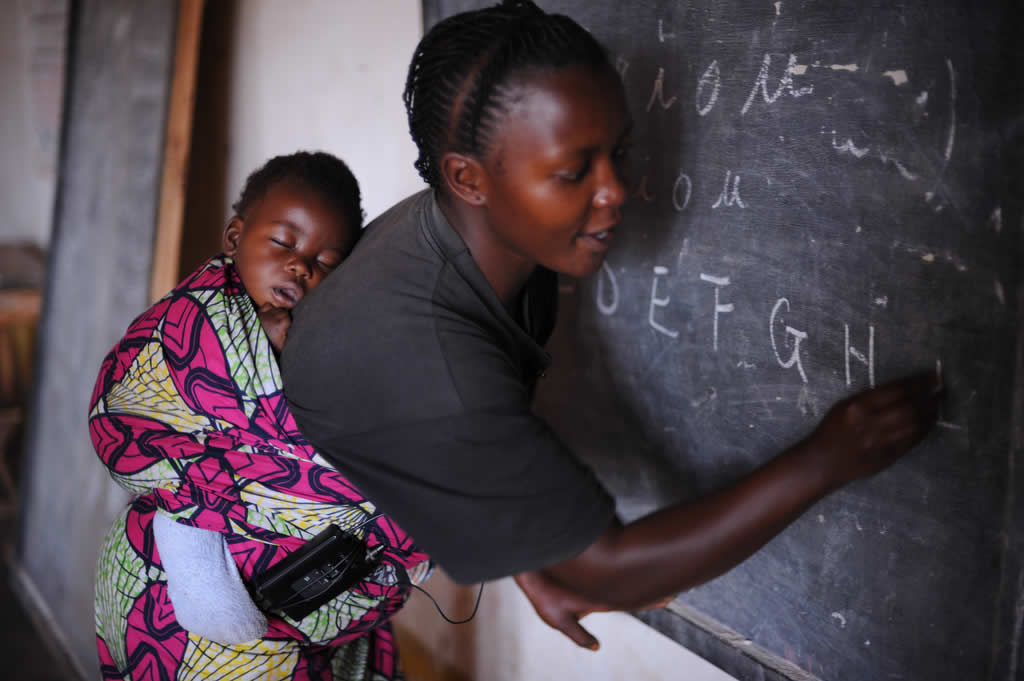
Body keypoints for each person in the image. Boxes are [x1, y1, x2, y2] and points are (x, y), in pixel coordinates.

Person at [282, 0, 944, 651]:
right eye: (573, 172)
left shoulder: (485, 234)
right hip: (283, 561)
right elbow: (603, 567)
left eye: (619, 152)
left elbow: (461, 443)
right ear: (468, 178)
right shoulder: (432, 356)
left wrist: (529, 546)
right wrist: (827, 458)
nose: (616, 190)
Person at [89, 151, 436, 680]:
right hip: (191, 492)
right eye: (284, 243)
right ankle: (190, 534)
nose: (301, 266)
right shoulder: (200, 313)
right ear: (234, 239)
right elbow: (128, 401)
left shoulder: (326, 332)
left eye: (326, 262)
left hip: (275, 562)